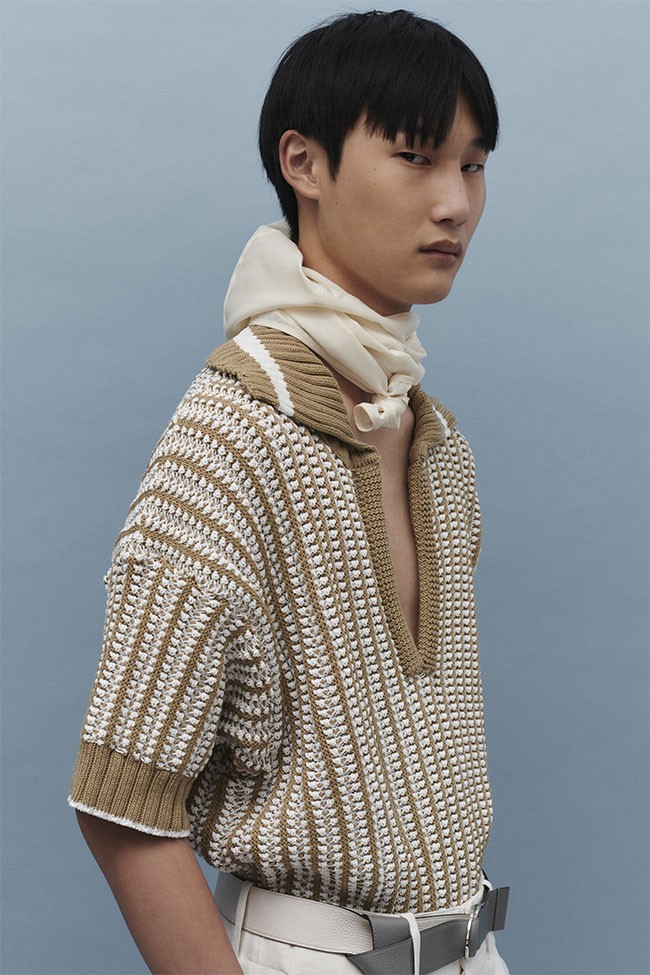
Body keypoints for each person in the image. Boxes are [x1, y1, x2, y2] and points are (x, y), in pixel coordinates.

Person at [69, 9, 510, 974]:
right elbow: (121, 804)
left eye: (474, 165)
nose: (455, 203)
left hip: (471, 945)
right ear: (303, 163)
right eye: (416, 157)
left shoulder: (439, 447)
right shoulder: (227, 439)